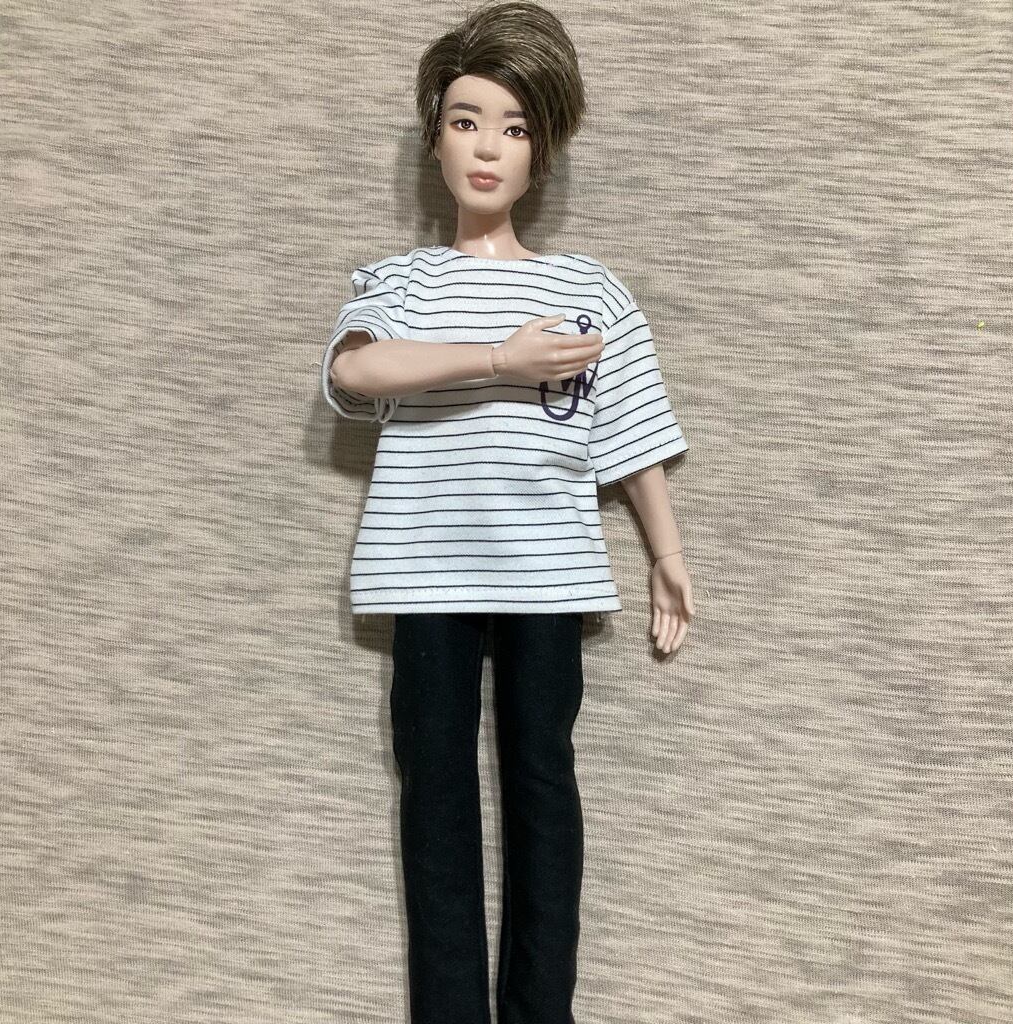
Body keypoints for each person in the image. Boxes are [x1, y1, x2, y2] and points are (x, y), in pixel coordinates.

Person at [319, 4, 695, 1021]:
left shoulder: (589, 292)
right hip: (424, 571)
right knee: (434, 794)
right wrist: (499, 360)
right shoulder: (398, 282)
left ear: (544, 150)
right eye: (466, 120)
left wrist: (665, 552)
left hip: (548, 571)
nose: (488, 147)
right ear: (435, 137)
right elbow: (356, 372)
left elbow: (630, 434)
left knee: (543, 786)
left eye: (516, 127)